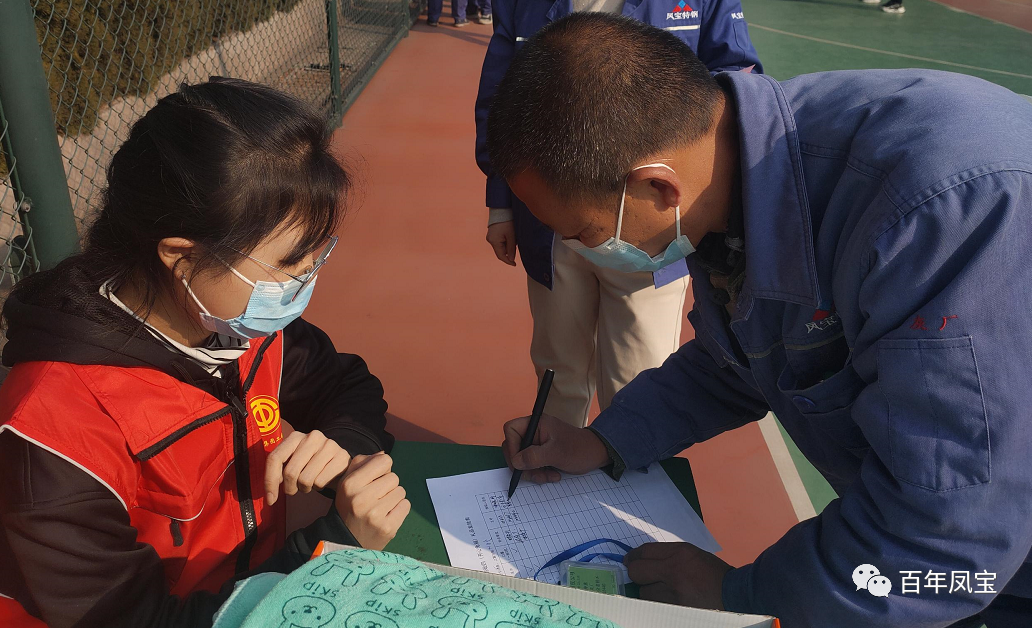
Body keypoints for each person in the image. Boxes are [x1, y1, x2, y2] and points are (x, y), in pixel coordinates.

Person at [490, 13, 1032, 628]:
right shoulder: (732, 174)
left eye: (586, 234)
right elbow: (743, 357)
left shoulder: (944, 219)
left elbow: (945, 540)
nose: (583, 253)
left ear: (658, 189)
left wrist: (743, 597)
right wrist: (604, 440)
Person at [0, 78, 410, 628]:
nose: (305, 280)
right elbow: (136, 620)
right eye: (288, 263)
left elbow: (345, 384)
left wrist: (344, 446)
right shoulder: (54, 432)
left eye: (315, 257)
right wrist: (330, 550)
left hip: (258, 590)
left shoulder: (235, 326)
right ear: (181, 257)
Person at [475, 0, 762, 427]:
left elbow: (735, 83)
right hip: (554, 225)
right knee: (557, 364)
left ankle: (629, 460)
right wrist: (500, 202)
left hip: (651, 222)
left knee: (641, 371)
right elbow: (500, 104)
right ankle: (555, 453)